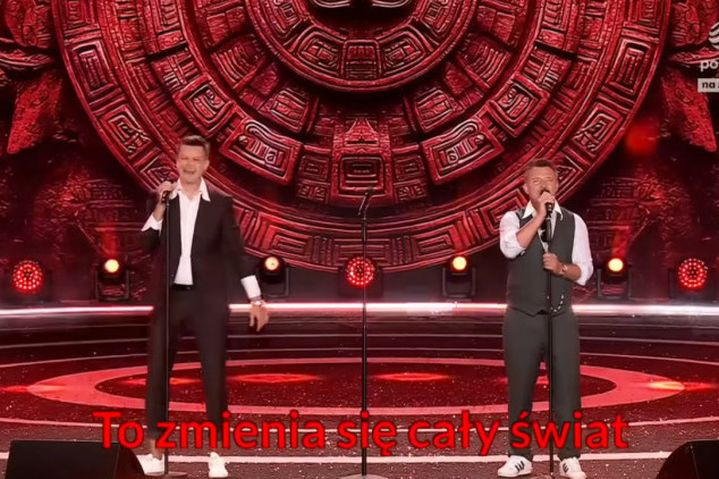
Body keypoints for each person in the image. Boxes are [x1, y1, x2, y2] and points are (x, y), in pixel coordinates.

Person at [137, 134, 269, 478]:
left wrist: (255, 297)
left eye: (196, 160)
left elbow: (237, 253)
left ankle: (216, 453)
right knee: (157, 374)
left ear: (206, 165)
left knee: (214, 375)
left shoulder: (221, 203)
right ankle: (156, 452)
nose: (189, 165)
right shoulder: (163, 198)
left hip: (208, 301)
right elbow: (145, 244)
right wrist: (159, 208)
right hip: (170, 299)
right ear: (176, 161)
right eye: (184, 158)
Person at [497, 159, 593, 479]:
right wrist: (539, 215)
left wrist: (561, 268)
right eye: (536, 181)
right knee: (520, 388)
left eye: (548, 179)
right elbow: (510, 249)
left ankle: (569, 456)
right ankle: (520, 455)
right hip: (521, 318)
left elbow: (584, 270)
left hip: (561, 317)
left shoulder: (574, 222)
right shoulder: (512, 219)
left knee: (566, 388)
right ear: (526, 187)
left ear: (557, 184)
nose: (543, 185)